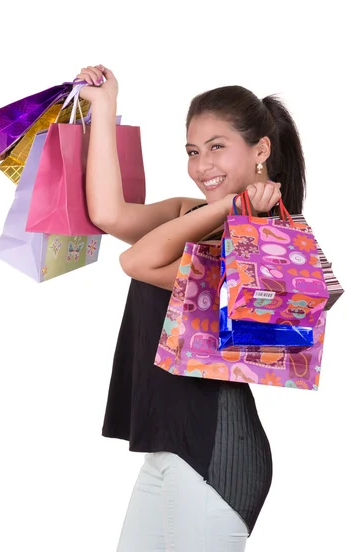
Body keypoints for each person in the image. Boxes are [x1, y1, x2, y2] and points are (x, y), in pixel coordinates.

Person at [76, 64, 306, 551]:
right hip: (166, 453)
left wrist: (229, 209)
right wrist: (105, 107)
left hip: (215, 458)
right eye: (193, 152)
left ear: (260, 150)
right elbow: (108, 214)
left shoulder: (266, 247)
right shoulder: (189, 213)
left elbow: (136, 260)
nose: (202, 166)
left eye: (217, 147)